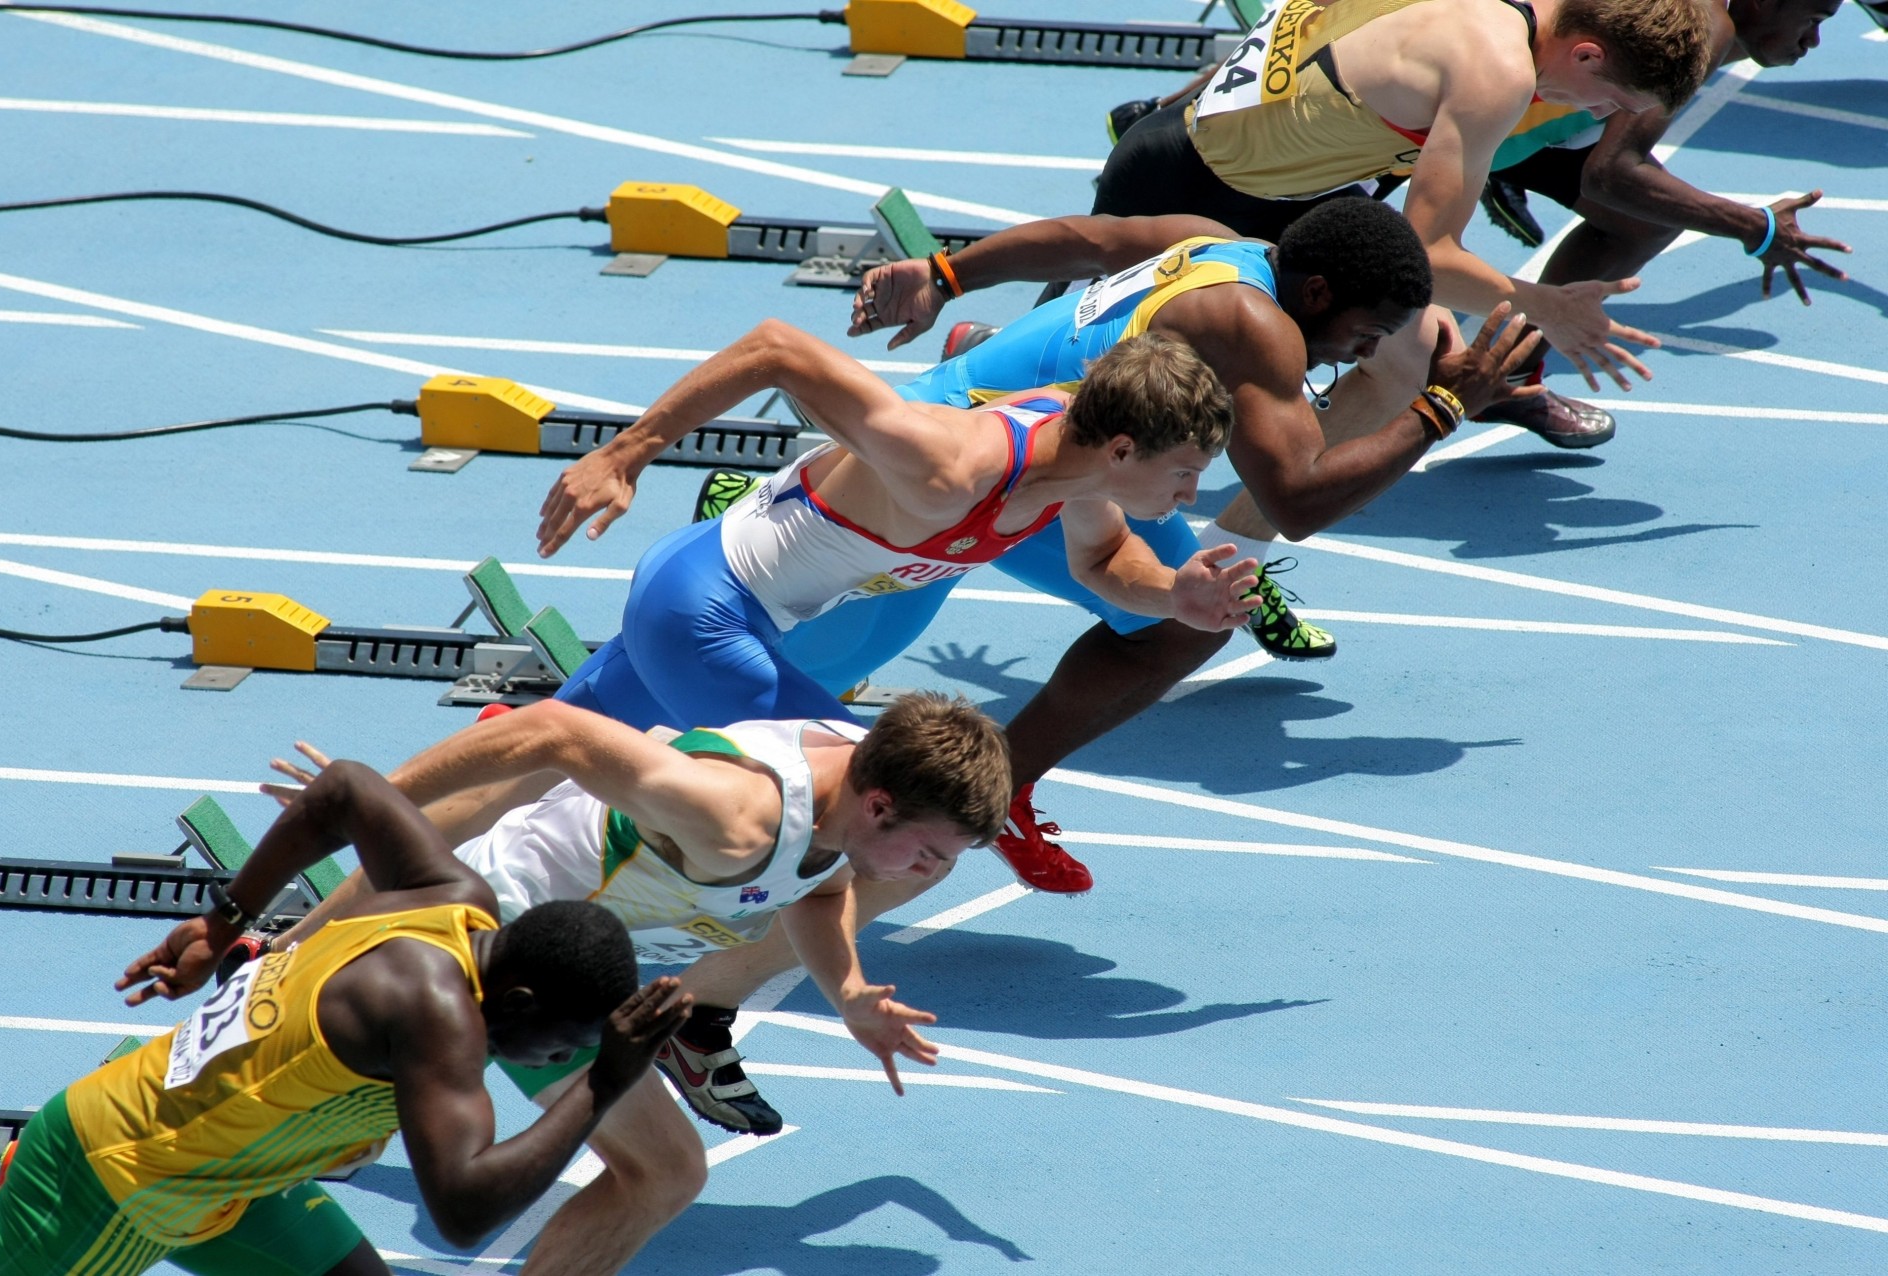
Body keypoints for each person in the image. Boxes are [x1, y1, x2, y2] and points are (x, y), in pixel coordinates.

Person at [702, 198, 1534, 892]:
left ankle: (996, 790)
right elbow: (1296, 497)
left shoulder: (1220, 247)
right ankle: (661, 749)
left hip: (1065, 475)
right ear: (1316, 293)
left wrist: (945, 274)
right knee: (786, 689)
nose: (1368, 353)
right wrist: (1437, 412)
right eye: (1366, 334)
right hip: (948, 478)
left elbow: (1088, 239)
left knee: (1184, 619)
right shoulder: (1256, 327)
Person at [261, 691, 1011, 1227]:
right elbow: (553, 729)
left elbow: (817, 893)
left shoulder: (852, 797)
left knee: (661, 1174)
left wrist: (848, 991)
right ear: (880, 805)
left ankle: (320, 1069)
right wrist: (361, 801)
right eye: (929, 853)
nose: (927, 873)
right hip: (492, 952)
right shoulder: (738, 816)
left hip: (566, 981)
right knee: (650, 1175)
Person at [0, 759, 689, 1276]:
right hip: (119, 1185)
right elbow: (464, 1211)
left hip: (230, 1183)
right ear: (518, 1003)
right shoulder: (435, 1017)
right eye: (561, 1046)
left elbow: (344, 787)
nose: (541, 1064)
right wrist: (606, 1083)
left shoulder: (451, 896)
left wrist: (226, 919)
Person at [535, 323, 1261, 740]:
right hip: (703, 609)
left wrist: (1174, 594)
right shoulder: (951, 464)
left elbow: (1103, 560)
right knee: (871, 793)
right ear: (1124, 448)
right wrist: (623, 453)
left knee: (542, 753)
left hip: (747, 613)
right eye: (1185, 472)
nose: (1192, 494)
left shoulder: (1082, 472)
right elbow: (775, 349)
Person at [1087, 0, 1716, 445]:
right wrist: (1546, 306)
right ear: (1586, 52)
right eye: (1613, 101)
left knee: (1414, 355)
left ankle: (1255, 524)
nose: (1600, 116)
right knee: (1083, 398)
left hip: (1259, 177)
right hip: (1188, 194)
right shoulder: (1498, 71)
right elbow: (1431, 258)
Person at [1473, 0, 1850, 315]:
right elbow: (1613, 173)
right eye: (1814, 20)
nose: (1814, 41)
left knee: (1643, 221)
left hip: (1525, 116)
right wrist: (1757, 227)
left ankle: (1512, 378)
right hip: (1468, 109)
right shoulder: (1701, 24)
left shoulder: (1724, 24)